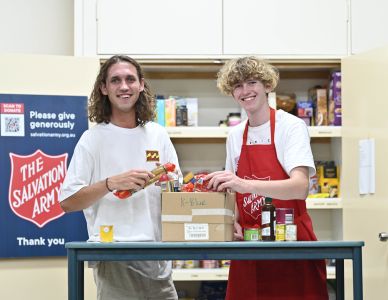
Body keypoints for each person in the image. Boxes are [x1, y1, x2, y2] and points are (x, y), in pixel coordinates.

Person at [205, 56, 329, 300]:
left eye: (252, 82)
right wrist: (233, 221)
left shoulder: (290, 126)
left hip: (290, 241)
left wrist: (244, 184)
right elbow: (232, 192)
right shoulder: (235, 135)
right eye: (237, 86)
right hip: (250, 246)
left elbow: (300, 187)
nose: (245, 91)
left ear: (267, 85)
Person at [59, 55, 179, 300]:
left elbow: (177, 193)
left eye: (130, 79)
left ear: (141, 85)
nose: (124, 86)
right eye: (115, 80)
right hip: (114, 256)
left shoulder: (158, 134)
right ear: (104, 88)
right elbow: (68, 202)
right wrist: (109, 184)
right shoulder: (92, 139)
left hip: (158, 257)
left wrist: (172, 186)